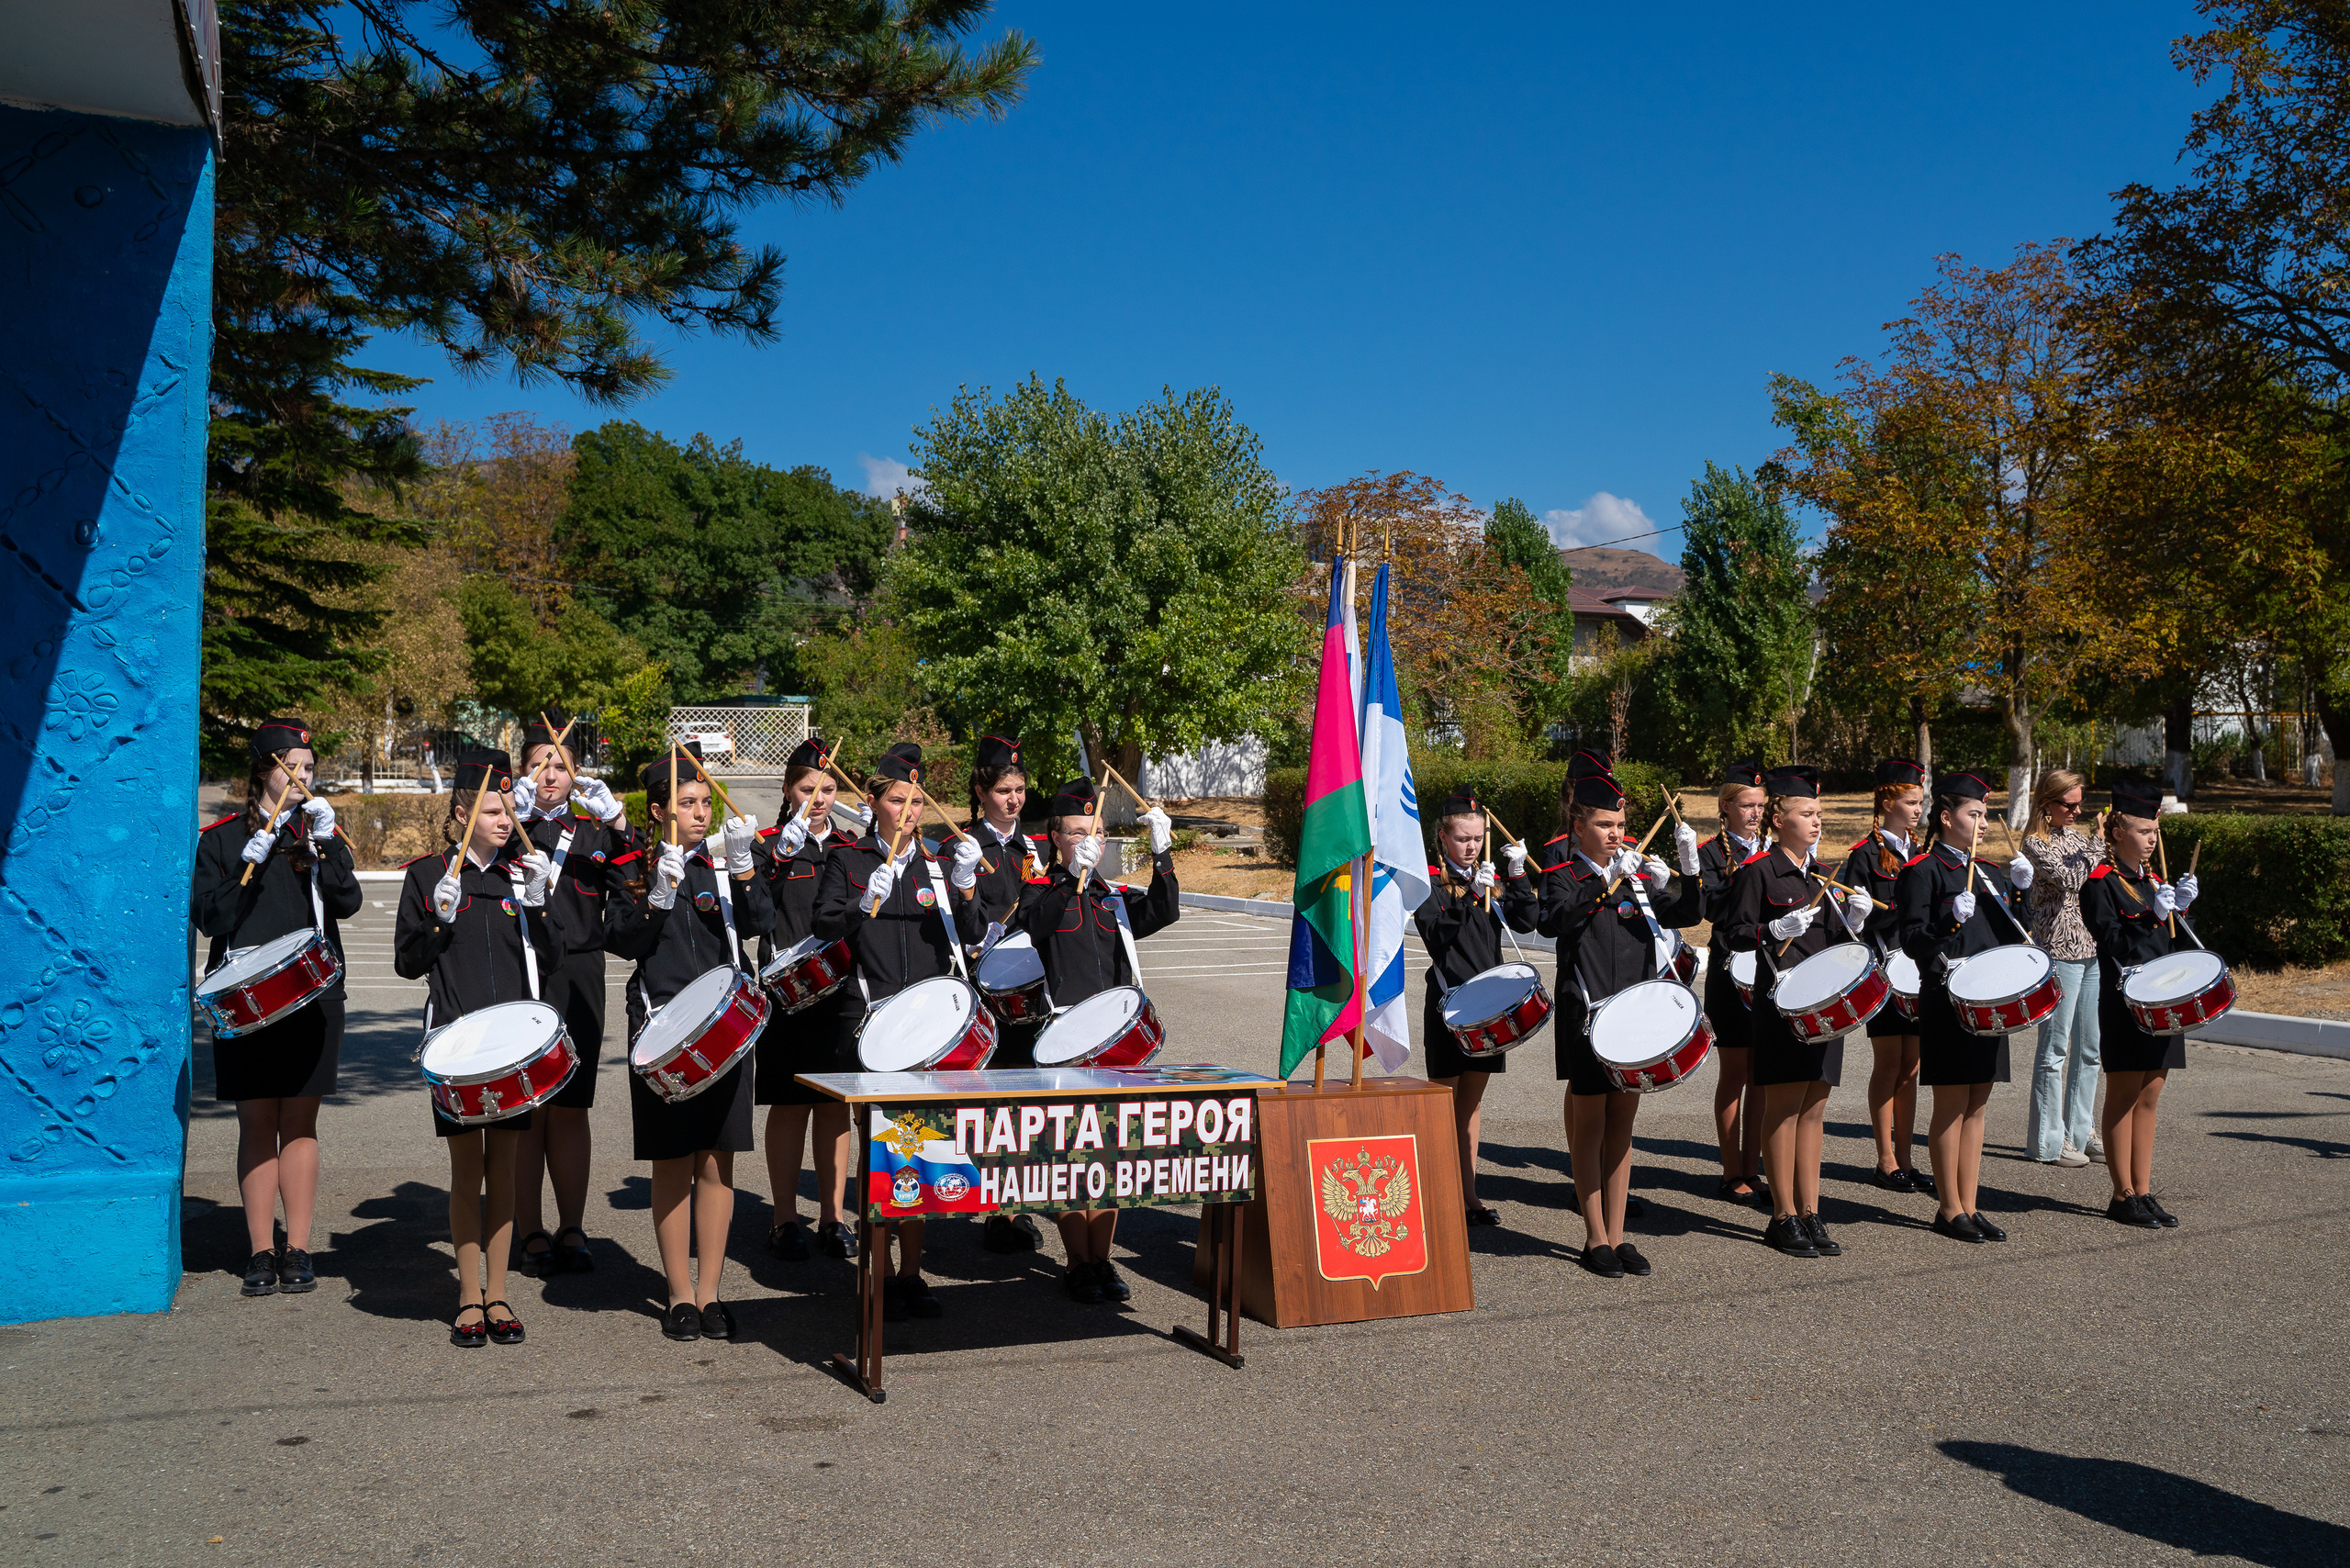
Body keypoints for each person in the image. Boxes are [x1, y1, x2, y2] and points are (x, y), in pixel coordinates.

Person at [392, 750, 563, 1348]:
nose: (505, 818)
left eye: (509, 808)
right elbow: (406, 962)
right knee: (468, 1171)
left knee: (505, 1170)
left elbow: (554, 959)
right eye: (492, 810)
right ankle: (468, 1296)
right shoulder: (427, 875)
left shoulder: (522, 873)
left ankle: (499, 1292)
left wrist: (542, 904)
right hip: (456, 1046)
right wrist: (438, 920)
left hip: (512, 1048)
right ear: (462, 814)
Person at [811, 750, 989, 1320]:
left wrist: (966, 887)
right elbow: (823, 924)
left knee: (922, 1149)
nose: (908, 812)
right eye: (896, 801)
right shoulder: (848, 859)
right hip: (871, 1022)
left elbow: (975, 934)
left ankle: (911, 1272)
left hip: (929, 1031)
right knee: (882, 1153)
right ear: (872, 803)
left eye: (916, 802)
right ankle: (877, 1272)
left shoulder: (936, 864)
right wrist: (863, 902)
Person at [604, 744, 772, 1343]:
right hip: (663, 1031)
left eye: (705, 801)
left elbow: (760, 924)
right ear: (658, 811)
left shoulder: (725, 863)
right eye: (688, 802)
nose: (702, 812)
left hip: (726, 1029)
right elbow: (621, 940)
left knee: (718, 1162)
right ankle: (678, 1293)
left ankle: (710, 1293)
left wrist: (746, 867)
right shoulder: (632, 865)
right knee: (673, 1161)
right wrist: (655, 894)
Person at [191, 719, 363, 1298]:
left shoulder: (317, 833)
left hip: (315, 996)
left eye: (310, 769)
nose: (304, 778)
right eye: (293, 767)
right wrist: (250, 862)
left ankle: (300, 1248)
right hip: (246, 1001)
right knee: (257, 1122)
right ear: (265, 770)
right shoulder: (221, 841)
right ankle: (261, 1248)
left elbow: (348, 901)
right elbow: (210, 918)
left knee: (301, 1123)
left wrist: (329, 844)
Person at [1009, 778, 1179, 1302]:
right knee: (1066, 1156)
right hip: (1062, 1041)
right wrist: (1071, 878)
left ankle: (1101, 1260)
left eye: (1098, 832)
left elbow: (1165, 910)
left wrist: (1162, 854)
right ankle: (1077, 1260)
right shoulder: (1041, 889)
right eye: (1079, 832)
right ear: (1055, 837)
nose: (1091, 840)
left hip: (1112, 1044)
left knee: (1108, 1157)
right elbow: (1036, 925)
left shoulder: (1114, 899)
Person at [1537, 767, 1702, 1279]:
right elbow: (1555, 920)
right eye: (1605, 824)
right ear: (1579, 826)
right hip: (1586, 1016)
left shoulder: (1636, 876)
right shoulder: (1564, 875)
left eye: (1621, 825)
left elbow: (1689, 914)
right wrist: (1605, 881)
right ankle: (1594, 1238)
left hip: (1634, 1017)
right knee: (1590, 1130)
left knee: (1623, 1130)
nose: (1616, 833)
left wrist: (1688, 868)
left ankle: (1618, 1233)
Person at [1725, 765, 1874, 1259]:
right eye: (1807, 813)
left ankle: (1811, 1211)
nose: (1817, 822)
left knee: (1814, 1111)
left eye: (1819, 814)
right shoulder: (1759, 871)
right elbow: (1733, 933)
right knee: (1784, 1109)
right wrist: (1773, 929)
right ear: (1778, 820)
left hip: (1824, 1004)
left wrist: (1854, 922)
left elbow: (1832, 942)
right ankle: (1782, 1215)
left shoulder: (1822, 875)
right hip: (1782, 1006)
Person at [509, 712, 635, 1277]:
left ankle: (572, 1225)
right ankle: (529, 1228)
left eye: (560, 766)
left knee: (570, 1105)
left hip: (579, 975)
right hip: (520, 970)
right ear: (522, 773)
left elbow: (636, 882)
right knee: (526, 1107)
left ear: (577, 775)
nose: (549, 775)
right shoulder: (505, 828)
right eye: (538, 765)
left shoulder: (594, 834)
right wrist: (511, 816)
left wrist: (621, 822)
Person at [1895, 770, 2026, 1245]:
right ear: (1947, 818)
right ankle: (1948, 1208)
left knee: (1977, 1105)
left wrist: (2021, 892)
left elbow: (2014, 935)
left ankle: (1970, 1204)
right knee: (1951, 1105)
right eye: (1975, 814)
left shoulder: (1989, 872)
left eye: (1986, 815)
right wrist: (1948, 921)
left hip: (1989, 998)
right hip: (1947, 998)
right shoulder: (1922, 871)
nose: (1984, 823)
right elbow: (1913, 943)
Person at [754, 736, 858, 1263]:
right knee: (790, 1104)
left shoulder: (850, 846)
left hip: (840, 991)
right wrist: (778, 857)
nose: (818, 799)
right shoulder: (767, 844)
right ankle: (784, 1218)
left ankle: (833, 1217)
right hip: (787, 994)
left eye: (828, 789)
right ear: (787, 790)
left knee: (834, 1105)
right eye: (807, 789)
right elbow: (754, 910)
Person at [1413, 793, 1539, 1227]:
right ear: (1442, 837)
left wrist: (1517, 874)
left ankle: (1468, 1194)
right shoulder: (1430, 883)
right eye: (1462, 838)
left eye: (1477, 838)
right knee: (1442, 1106)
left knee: (1470, 1106)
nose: (1471, 846)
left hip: (1490, 1005)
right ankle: (1438, 1195)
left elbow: (1527, 921)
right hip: (1449, 1006)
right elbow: (1436, 933)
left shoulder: (1491, 878)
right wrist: (1470, 895)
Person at [2080, 778, 2200, 1229]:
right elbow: (2113, 941)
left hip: (2163, 1000)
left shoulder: (2152, 881)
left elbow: (2168, 943)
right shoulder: (2101, 883)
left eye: (2155, 832)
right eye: (2143, 831)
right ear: (2118, 833)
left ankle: (2144, 1190)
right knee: (2125, 1094)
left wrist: (2182, 910)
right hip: (2126, 1002)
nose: (2152, 839)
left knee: (2150, 1095)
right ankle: (2121, 1194)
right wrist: (2153, 915)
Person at [1838, 758, 1934, 1195]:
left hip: (1918, 970)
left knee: (1912, 1067)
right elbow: (1853, 922)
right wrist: (1877, 914)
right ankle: (1885, 1158)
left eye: (1920, 802)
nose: (1918, 810)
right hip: (1884, 969)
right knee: (1889, 1063)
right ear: (1888, 802)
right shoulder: (1863, 855)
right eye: (1911, 802)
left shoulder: (1923, 852)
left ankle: (1907, 1157)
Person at [2015, 767, 2104, 1170]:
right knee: (2055, 1049)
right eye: (2069, 805)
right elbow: (2071, 878)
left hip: (2092, 946)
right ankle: (2048, 1141)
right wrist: (2098, 845)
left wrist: (2096, 845)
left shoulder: (2078, 838)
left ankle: (2082, 1131)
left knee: (2089, 1048)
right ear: (2047, 804)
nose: (2076, 811)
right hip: (2059, 948)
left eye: (2080, 804)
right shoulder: (2036, 843)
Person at [1699, 760, 1772, 1205]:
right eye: (1747, 805)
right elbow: (1709, 908)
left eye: (1760, 805)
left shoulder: (1773, 849)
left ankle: (1753, 1165)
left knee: (1762, 1075)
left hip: (1767, 969)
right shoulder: (1710, 853)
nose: (1755, 814)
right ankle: (1731, 1171)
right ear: (1726, 807)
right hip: (1729, 972)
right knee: (1735, 1073)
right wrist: (1746, 875)